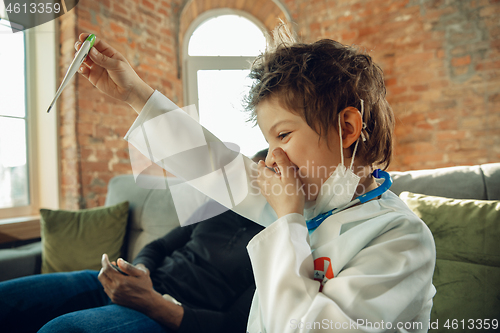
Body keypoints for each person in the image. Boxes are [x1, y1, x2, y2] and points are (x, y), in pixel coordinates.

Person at [74, 26, 436, 333]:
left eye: (283, 136)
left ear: (346, 129)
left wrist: (288, 220)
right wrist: (134, 93)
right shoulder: (313, 197)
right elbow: (215, 165)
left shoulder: (401, 238)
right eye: (268, 142)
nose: (272, 158)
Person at [0, 150, 266, 333]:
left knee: (61, 330)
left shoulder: (279, 242)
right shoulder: (217, 206)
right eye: (248, 171)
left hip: (165, 311)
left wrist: (150, 301)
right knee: (7, 298)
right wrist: (139, 272)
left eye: (261, 176)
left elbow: (234, 325)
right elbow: (157, 247)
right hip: (129, 284)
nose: (249, 181)